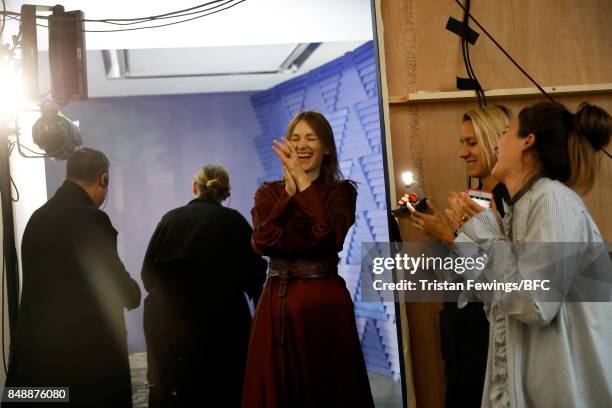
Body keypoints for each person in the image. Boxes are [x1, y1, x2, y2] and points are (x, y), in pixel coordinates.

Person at [445, 101, 612, 407]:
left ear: (528, 140)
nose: (496, 142)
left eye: (506, 132)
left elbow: (533, 304)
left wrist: (485, 234)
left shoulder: (553, 200)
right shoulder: (520, 208)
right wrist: (471, 236)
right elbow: (499, 304)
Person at [242, 111, 374, 408]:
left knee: (330, 388)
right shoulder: (269, 193)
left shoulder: (342, 192)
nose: (302, 144)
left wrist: (303, 181)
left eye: (311, 138)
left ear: (326, 147)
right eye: (296, 138)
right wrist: (289, 194)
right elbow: (261, 242)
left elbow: (329, 236)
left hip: (324, 303)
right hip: (277, 303)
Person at [4, 148, 141, 407]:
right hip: (83, 373)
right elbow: (123, 291)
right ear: (104, 179)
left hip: (37, 371)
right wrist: (133, 292)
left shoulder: (37, 218)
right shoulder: (91, 219)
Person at [398, 105, 513, 407]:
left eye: (472, 143)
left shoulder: (510, 200)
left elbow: (500, 278)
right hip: (463, 338)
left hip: (489, 340)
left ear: (496, 142)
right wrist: (439, 233)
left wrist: (448, 236)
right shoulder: (474, 195)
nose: (463, 152)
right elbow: (461, 272)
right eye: (462, 143)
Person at [142, 165, 267, 408]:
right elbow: (255, 279)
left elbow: (148, 275)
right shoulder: (236, 223)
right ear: (226, 193)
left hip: (174, 336)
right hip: (226, 336)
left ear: (194, 187)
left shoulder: (170, 219)